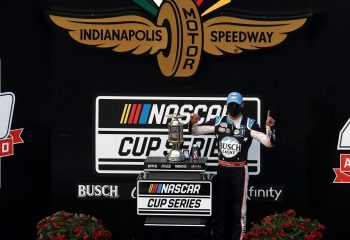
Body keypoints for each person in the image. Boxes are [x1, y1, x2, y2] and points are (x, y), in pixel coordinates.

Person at [189, 92, 276, 240]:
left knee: (239, 211)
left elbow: (269, 143)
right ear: (226, 105)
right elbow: (195, 131)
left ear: (242, 105)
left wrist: (269, 128)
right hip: (222, 169)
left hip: (240, 171)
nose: (233, 108)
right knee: (219, 209)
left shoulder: (249, 124)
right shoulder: (218, 121)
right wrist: (193, 122)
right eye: (231, 105)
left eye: (236, 105)